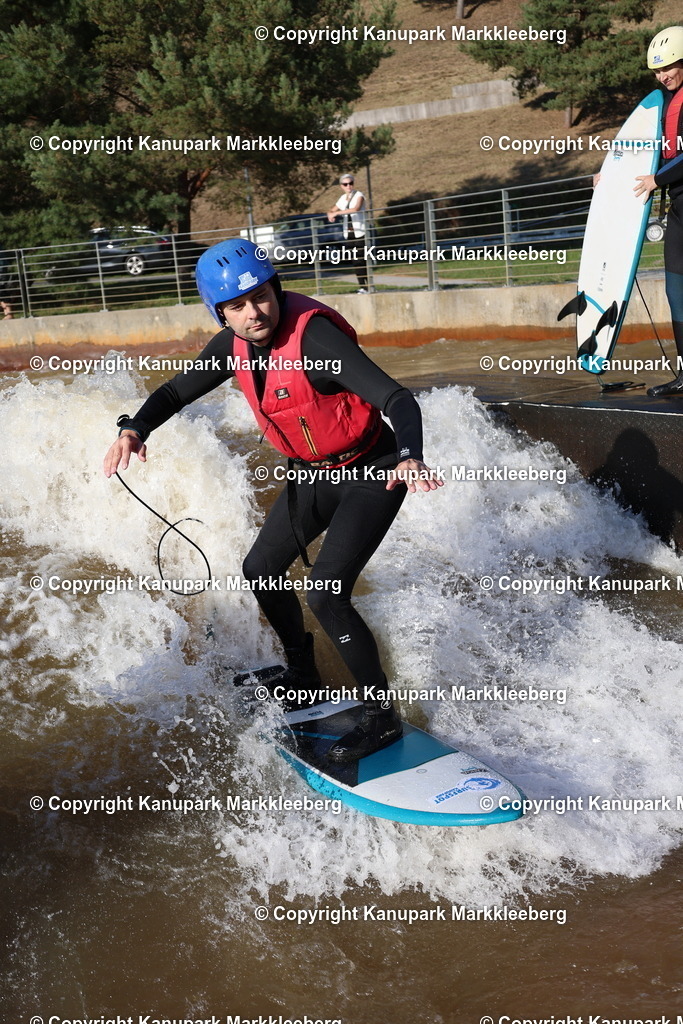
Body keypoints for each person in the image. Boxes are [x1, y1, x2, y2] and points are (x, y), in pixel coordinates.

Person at [103, 239, 443, 761]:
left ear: (275, 289)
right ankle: (302, 672)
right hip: (313, 473)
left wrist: (410, 455)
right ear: (220, 313)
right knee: (260, 568)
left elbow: (397, 398)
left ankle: (382, 716)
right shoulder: (232, 347)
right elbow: (174, 392)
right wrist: (134, 429)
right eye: (237, 306)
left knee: (327, 594)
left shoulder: (317, 339)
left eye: (260, 297)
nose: (254, 312)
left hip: (374, 471)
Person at [633, 26, 683, 396]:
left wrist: (657, 180)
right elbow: (645, 147)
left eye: (668, 68)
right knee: (676, 290)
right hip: (678, 207)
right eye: (657, 71)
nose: (662, 76)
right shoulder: (665, 101)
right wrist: (611, 172)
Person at [327, 173, 369, 292]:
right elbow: (332, 209)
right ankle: (362, 286)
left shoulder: (359, 195)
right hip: (349, 233)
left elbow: (356, 208)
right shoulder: (342, 198)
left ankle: (367, 285)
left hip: (360, 232)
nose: (348, 186)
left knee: (361, 259)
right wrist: (330, 213)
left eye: (351, 183)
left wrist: (337, 213)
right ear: (341, 186)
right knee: (355, 261)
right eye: (345, 184)